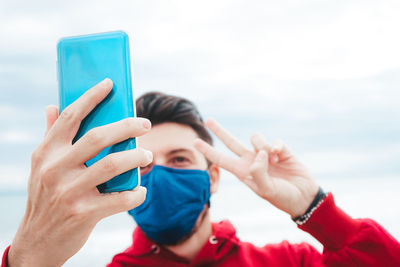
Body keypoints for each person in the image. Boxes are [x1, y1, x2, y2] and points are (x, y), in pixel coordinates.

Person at [2, 79, 400, 267]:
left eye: (178, 159)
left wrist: (314, 208)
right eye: (143, 164)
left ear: (211, 177)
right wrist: (28, 258)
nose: (158, 174)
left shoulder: (287, 262)